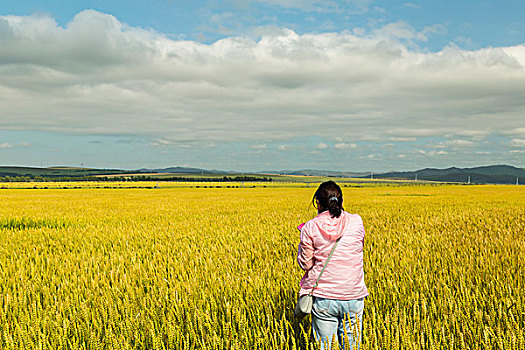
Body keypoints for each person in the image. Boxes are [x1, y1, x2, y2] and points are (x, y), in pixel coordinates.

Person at [297, 181, 368, 349]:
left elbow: (306, 265)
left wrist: (302, 244)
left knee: (326, 346)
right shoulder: (357, 221)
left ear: (318, 203)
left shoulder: (310, 227)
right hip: (354, 295)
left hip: (324, 297)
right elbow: (359, 247)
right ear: (341, 202)